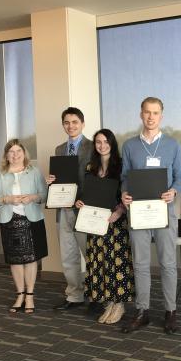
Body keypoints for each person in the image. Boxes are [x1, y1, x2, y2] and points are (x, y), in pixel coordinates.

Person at [120, 97, 181, 334]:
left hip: (164, 211)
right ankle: (142, 311)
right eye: (147, 112)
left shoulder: (173, 145)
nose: (151, 117)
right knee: (140, 263)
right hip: (138, 212)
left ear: (161, 116)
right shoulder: (129, 146)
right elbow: (125, 176)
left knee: (168, 263)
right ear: (141, 114)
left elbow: (180, 177)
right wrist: (124, 193)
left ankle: (170, 311)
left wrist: (174, 191)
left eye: (155, 113)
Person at [75, 129, 134, 324]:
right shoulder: (91, 167)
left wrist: (119, 211)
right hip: (96, 223)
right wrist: (80, 202)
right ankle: (109, 302)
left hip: (115, 222)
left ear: (112, 143)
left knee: (116, 263)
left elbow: (128, 193)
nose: (102, 145)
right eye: (98, 142)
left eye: (105, 141)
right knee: (99, 263)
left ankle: (119, 304)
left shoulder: (121, 165)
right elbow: (87, 193)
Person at [0, 139, 48, 314]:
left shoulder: (33, 171)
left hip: (31, 220)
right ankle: (19, 294)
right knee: (15, 260)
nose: (15, 155)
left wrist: (33, 197)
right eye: (11, 152)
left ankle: (30, 295)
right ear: (6, 155)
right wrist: (6, 199)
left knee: (30, 258)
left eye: (18, 151)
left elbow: (44, 194)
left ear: (24, 153)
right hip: (9, 221)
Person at [46, 107, 94, 311]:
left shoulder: (93, 147)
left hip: (84, 209)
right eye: (67, 122)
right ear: (63, 125)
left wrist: (84, 199)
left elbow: (97, 179)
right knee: (68, 255)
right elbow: (61, 180)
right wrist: (51, 183)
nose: (71, 126)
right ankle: (75, 295)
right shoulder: (59, 150)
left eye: (75, 122)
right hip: (63, 210)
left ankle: (96, 296)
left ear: (82, 123)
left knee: (90, 254)